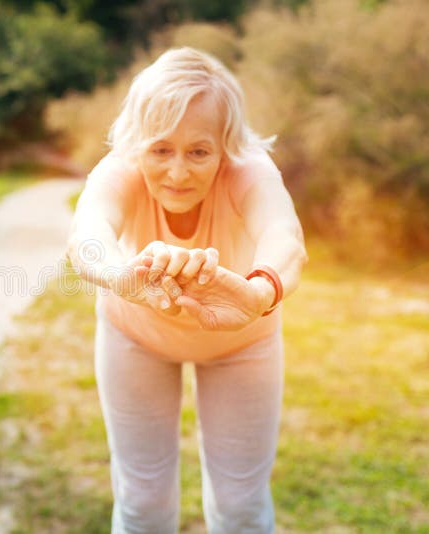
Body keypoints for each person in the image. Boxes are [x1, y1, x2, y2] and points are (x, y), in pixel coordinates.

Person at [68, 47, 308, 533]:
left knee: (240, 506)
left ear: (226, 146)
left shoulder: (250, 171)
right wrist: (120, 277)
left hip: (242, 341)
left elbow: (284, 236)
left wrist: (260, 293)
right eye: (160, 150)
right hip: (136, 337)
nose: (177, 173)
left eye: (199, 152)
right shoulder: (120, 169)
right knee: (142, 500)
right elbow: (87, 235)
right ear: (138, 143)